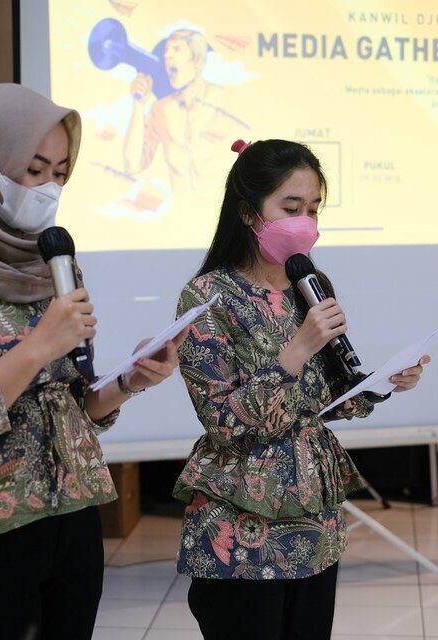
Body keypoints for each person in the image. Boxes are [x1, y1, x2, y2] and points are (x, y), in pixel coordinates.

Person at [0, 83, 187, 640]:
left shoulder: (50, 264)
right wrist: (37, 347)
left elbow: (71, 406)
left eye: (61, 173)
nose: (48, 188)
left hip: (72, 523)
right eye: (33, 169)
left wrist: (128, 381)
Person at [171, 138, 430, 639]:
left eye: (313, 209)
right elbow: (223, 422)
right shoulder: (206, 296)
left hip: (315, 519)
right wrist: (297, 349)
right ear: (248, 213)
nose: (305, 222)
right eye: (291, 208)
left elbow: (323, 398)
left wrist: (382, 384)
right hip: (241, 522)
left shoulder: (310, 284)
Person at [124, 29, 248, 192]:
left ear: (197, 60)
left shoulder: (225, 99)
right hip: (180, 205)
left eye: (176, 49)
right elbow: (132, 165)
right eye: (166, 50)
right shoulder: (160, 109)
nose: (167, 55)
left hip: (225, 204)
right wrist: (138, 105)